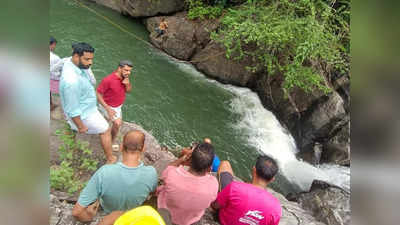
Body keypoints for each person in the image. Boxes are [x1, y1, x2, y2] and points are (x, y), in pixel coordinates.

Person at [72, 130, 158, 223]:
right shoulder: (151, 173)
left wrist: (89, 218)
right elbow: (152, 192)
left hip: (107, 212)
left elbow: (77, 212)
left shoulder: (104, 172)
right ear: (143, 148)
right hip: (132, 216)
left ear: (121, 147)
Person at [59, 42, 116, 164]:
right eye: (87, 59)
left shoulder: (70, 62)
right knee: (105, 129)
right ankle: (110, 158)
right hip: (85, 112)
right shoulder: (71, 81)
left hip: (84, 105)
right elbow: (73, 110)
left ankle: (71, 148)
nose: (90, 63)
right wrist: (81, 126)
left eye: (91, 59)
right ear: (76, 56)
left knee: (70, 126)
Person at [157, 142, 218, 225]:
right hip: (189, 221)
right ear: (209, 167)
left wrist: (182, 159)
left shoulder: (172, 174)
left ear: (190, 159)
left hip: (165, 212)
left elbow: (167, 170)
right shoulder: (213, 184)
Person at [211, 156, 282, 225]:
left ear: (254, 170)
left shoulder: (235, 187)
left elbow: (216, 206)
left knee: (225, 164)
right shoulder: (276, 207)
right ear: (272, 179)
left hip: (224, 221)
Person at [97, 60, 133, 143]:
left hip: (118, 106)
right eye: (126, 70)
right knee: (117, 124)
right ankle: (110, 141)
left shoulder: (125, 78)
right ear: (119, 68)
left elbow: (128, 91)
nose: (128, 73)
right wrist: (108, 108)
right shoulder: (108, 80)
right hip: (107, 106)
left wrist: (127, 84)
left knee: (115, 124)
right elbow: (98, 94)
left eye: (130, 71)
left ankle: (110, 138)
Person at [50, 36, 61, 111]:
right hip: (53, 79)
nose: (54, 47)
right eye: (54, 45)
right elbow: (59, 71)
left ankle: (50, 104)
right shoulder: (55, 57)